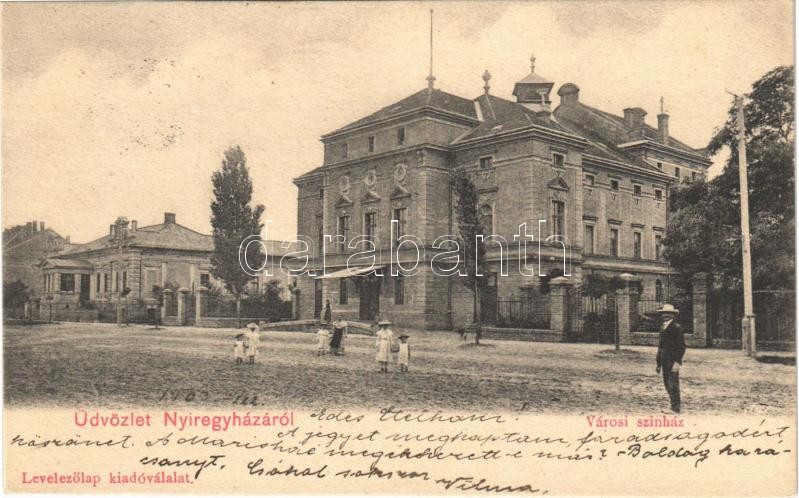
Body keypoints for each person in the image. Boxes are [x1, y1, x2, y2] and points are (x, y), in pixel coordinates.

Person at [655, 304, 685, 413]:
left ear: (673, 315)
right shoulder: (662, 327)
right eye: (664, 313)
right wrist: (658, 363)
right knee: (667, 383)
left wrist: (677, 362)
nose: (666, 315)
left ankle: (675, 408)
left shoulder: (677, 328)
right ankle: (673, 405)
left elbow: (681, 347)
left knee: (673, 384)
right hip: (664, 360)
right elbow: (660, 346)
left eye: (669, 313)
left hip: (672, 360)